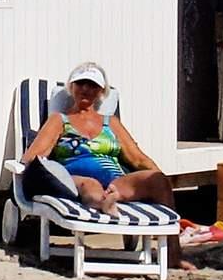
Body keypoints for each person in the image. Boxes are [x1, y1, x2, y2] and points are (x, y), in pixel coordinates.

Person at [19, 62, 177, 219]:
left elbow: (138, 159)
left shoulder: (111, 122)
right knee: (90, 184)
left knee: (158, 180)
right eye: (80, 83)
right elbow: (33, 157)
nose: (85, 89)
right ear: (71, 87)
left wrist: (160, 177)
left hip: (116, 183)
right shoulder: (59, 120)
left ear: (101, 91)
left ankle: (176, 232)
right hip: (76, 181)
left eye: (92, 85)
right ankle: (104, 203)